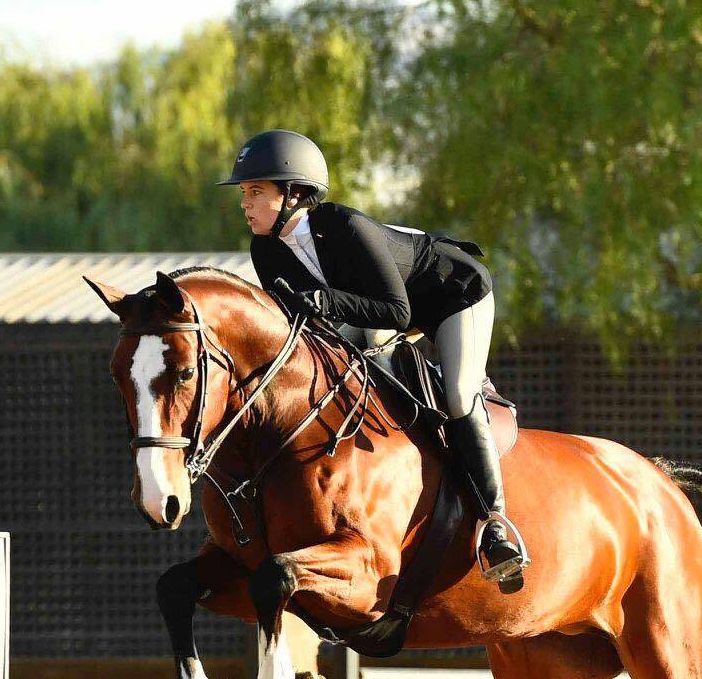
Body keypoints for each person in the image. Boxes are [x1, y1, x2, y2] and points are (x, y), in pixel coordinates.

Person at [219, 128, 530, 588]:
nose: (245, 203)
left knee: (460, 395)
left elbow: (397, 311)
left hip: (451, 295)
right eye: (245, 192)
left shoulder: (344, 227)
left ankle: (495, 525)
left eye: (256, 191)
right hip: (382, 310)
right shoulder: (265, 248)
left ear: (294, 193)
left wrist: (324, 302)